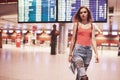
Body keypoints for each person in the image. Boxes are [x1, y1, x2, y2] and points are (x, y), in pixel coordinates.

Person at [68, 6, 99, 80]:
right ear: (79, 15)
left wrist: (96, 53)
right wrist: (70, 54)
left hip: (88, 52)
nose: (83, 14)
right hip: (77, 51)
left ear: (88, 13)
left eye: (85, 12)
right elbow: (73, 39)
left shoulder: (92, 25)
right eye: (81, 13)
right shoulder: (77, 24)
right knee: (83, 76)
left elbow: (93, 40)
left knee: (80, 74)